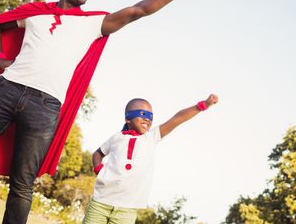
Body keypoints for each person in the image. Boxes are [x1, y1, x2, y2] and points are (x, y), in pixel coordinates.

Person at [0, 0, 197, 224]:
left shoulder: (93, 23)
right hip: (6, 90)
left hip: (45, 106)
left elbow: (137, 10)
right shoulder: (35, 15)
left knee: (23, 182)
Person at [83, 93, 219, 224]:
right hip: (101, 201)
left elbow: (177, 119)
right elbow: (97, 154)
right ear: (127, 118)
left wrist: (203, 105)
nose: (147, 119)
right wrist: (99, 169)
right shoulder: (116, 138)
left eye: (150, 116)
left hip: (127, 209)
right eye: (142, 114)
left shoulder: (151, 137)